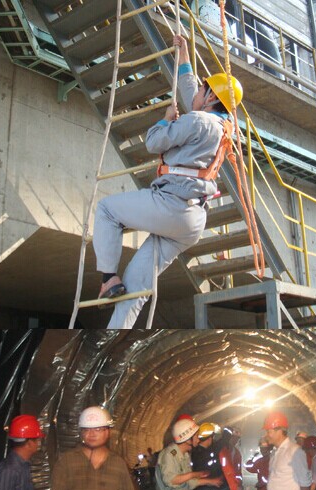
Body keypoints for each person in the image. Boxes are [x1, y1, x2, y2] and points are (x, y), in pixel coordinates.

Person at [93, 34, 243, 328]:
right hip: (192, 221)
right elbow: (190, 90)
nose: (197, 90)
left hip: (170, 205)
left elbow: (154, 143)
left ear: (212, 97)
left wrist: (165, 120)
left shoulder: (197, 121)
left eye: (204, 89)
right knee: (135, 289)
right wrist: (184, 54)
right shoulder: (224, 127)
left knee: (107, 210)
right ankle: (115, 335)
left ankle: (107, 277)